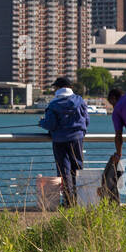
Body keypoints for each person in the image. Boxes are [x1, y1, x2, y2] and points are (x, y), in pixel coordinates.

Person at [39, 77, 89, 207]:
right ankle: (80, 200)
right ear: (70, 87)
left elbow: (51, 124)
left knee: (64, 171)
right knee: (78, 168)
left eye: (55, 87)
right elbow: (86, 120)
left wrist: (41, 122)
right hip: (77, 139)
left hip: (60, 140)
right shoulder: (80, 101)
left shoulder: (53, 104)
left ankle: (68, 201)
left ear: (58, 88)